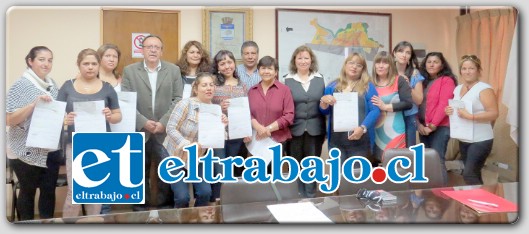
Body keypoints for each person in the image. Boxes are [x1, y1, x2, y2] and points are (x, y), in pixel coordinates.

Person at [121, 34, 184, 211]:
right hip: (140, 130)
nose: (153, 50)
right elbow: (126, 102)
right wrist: (142, 121)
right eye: (149, 46)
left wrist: (164, 122)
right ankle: (139, 208)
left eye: (157, 47)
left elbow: (178, 99)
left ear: (162, 51)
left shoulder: (173, 70)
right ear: (142, 50)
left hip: (165, 130)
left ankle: (165, 207)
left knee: (165, 171)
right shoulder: (130, 71)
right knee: (138, 171)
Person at [59, 48, 122, 217]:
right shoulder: (67, 86)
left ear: (98, 65)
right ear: (78, 65)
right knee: (75, 191)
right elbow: (55, 115)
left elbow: (118, 116)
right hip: (75, 144)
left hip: (101, 144)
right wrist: (65, 120)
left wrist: (111, 116)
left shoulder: (108, 88)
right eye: (86, 63)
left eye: (94, 63)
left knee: (95, 190)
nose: (90, 67)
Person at [6, 46, 62, 220]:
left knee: (48, 191)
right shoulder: (20, 85)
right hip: (24, 150)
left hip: (50, 149)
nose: (46, 63)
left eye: (50, 60)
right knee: (27, 193)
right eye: (41, 59)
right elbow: (9, 119)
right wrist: (32, 105)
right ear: (30, 61)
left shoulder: (52, 85)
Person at [163, 72, 227, 208]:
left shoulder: (215, 110)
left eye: (211, 85)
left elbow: (218, 140)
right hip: (175, 155)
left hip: (197, 159)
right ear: (196, 89)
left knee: (205, 192)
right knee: (182, 198)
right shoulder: (185, 104)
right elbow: (170, 128)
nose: (209, 88)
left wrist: (223, 126)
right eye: (204, 85)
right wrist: (189, 145)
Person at [445, 55, 498, 185]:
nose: (467, 71)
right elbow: (458, 108)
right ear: (460, 71)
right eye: (464, 68)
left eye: (471, 68)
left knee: (470, 174)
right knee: (472, 173)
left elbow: (494, 113)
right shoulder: (458, 89)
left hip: (480, 139)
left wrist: (472, 117)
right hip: (464, 138)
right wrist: (449, 111)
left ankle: (480, 203)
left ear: (478, 70)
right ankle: (478, 202)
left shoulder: (484, 89)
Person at [320, 53, 380, 167]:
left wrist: (362, 128)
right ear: (345, 65)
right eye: (351, 63)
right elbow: (325, 112)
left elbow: (375, 110)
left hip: (360, 141)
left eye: (359, 65)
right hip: (336, 142)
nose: (354, 67)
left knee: (357, 180)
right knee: (337, 179)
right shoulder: (332, 86)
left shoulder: (368, 87)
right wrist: (323, 102)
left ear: (363, 69)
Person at [283, 45, 326, 198]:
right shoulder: (287, 80)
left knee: (312, 164)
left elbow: (324, 104)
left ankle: (311, 195)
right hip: (294, 129)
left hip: (316, 129)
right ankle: (298, 195)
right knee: (296, 164)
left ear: (311, 60)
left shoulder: (320, 79)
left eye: (306, 57)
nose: (303, 61)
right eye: (299, 57)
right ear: (294, 61)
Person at [211, 50, 249, 202]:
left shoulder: (242, 86)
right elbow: (204, 106)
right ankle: (217, 201)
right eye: (222, 63)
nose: (227, 66)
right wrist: (220, 106)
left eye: (229, 62)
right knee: (219, 169)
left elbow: (247, 110)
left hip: (237, 135)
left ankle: (231, 203)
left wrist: (247, 130)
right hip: (217, 134)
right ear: (218, 67)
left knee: (232, 168)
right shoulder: (213, 84)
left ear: (235, 64)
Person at [418, 52, 457, 186]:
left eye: (435, 62)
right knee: (426, 161)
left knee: (437, 160)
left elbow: (444, 104)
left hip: (439, 127)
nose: (432, 64)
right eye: (429, 62)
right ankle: (430, 194)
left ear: (442, 65)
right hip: (424, 128)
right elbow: (417, 104)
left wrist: (433, 125)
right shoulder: (422, 82)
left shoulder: (447, 80)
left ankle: (443, 196)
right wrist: (419, 125)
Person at [370, 51, 412, 163]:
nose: (380, 65)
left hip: (395, 130)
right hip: (375, 130)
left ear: (390, 65)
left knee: (395, 163)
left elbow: (408, 103)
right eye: (378, 62)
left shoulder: (399, 80)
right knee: (376, 164)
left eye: (385, 63)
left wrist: (385, 106)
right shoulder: (369, 82)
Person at [247, 56, 294, 152]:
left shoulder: (284, 90)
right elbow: (248, 113)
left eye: (270, 68)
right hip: (256, 142)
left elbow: (289, 116)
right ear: (258, 71)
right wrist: (258, 128)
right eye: (263, 68)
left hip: (278, 140)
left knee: (275, 167)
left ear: (276, 72)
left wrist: (267, 129)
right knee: (258, 167)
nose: (266, 71)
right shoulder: (252, 91)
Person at [96, 43, 121, 215]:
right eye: (108, 56)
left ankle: (106, 214)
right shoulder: (89, 78)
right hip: (97, 133)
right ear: (99, 58)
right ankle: (94, 215)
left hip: (120, 132)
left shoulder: (123, 80)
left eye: (115, 56)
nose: (112, 59)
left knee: (112, 178)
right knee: (97, 174)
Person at [392, 41, 425, 147]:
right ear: (394, 53)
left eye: (408, 52)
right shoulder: (387, 72)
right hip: (390, 115)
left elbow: (419, 100)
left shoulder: (415, 74)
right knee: (390, 148)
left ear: (411, 57)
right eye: (401, 51)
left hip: (409, 117)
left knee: (409, 150)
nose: (404, 55)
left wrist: (408, 86)